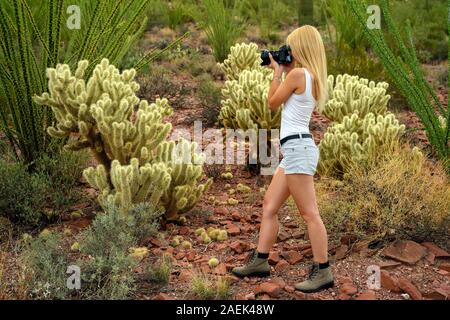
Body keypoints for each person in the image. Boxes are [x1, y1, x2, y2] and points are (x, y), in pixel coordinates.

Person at [231, 25, 334, 293]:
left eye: (291, 47)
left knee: (309, 213)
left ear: (302, 48)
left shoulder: (298, 74)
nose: (287, 52)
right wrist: (283, 71)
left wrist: (277, 72)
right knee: (269, 205)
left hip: (298, 148)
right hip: (295, 149)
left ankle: (322, 271)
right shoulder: (310, 75)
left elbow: (272, 102)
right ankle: (260, 261)